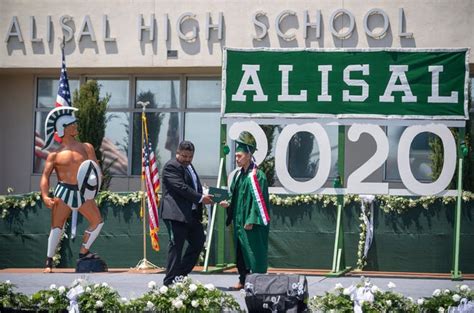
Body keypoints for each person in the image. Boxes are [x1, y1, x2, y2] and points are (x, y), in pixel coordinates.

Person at [40, 106, 104, 273]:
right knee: (56, 227)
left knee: (97, 221)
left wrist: (95, 183)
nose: (76, 126)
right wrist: (45, 196)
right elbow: (45, 177)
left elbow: (95, 169)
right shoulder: (54, 154)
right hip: (63, 193)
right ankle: (49, 260)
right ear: (64, 129)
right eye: (72, 124)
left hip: (83, 192)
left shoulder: (87, 147)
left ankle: (83, 252)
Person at [219, 131, 271, 290]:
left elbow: (260, 202)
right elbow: (234, 197)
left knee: (254, 252)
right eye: (236, 156)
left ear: (249, 155)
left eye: (239, 155)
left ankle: (258, 282)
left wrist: (251, 220)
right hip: (239, 222)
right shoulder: (238, 176)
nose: (236, 158)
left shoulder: (257, 176)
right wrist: (229, 205)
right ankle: (242, 280)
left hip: (251, 224)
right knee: (240, 253)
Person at [160, 140, 214, 286]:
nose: (187, 159)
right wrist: (201, 198)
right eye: (184, 156)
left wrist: (208, 196)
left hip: (191, 215)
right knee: (176, 247)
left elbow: (195, 187)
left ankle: (180, 275)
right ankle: (169, 282)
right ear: (177, 153)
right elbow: (181, 187)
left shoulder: (190, 167)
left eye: (190, 157)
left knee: (198, 242)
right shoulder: (171, 166)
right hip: (175, 214)